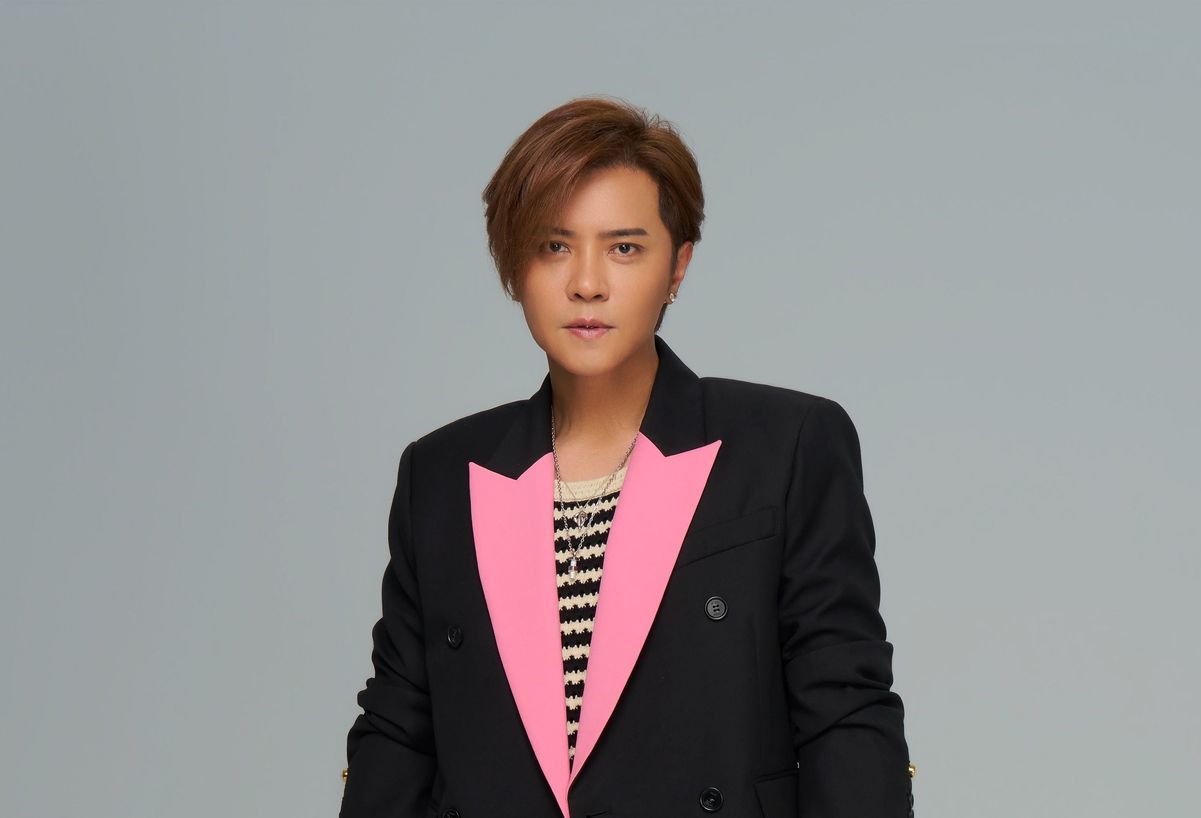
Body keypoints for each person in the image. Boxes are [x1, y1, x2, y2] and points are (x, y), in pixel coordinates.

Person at [338, 95, 915, 818]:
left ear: (678, 266)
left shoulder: (788, 445)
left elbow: (845, 716)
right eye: (554, 246)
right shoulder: (441, 476)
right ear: (514, 267)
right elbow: (398, 735)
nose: (587, 283)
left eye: (624, 248)